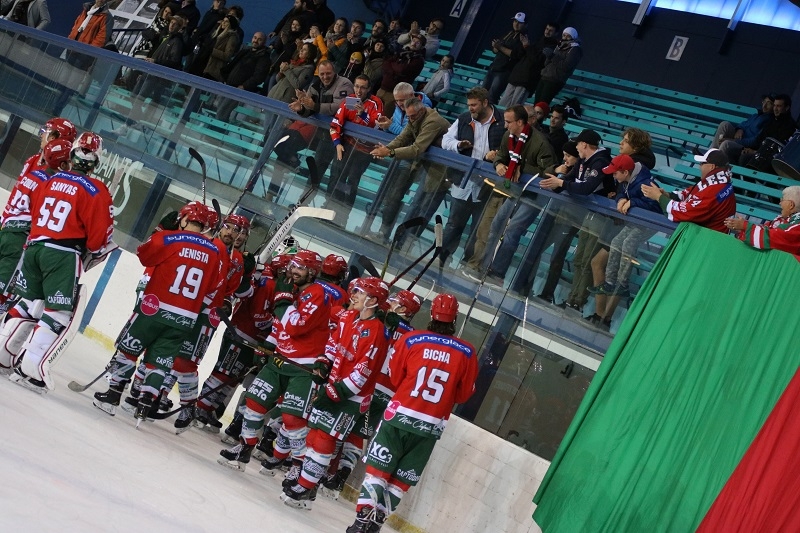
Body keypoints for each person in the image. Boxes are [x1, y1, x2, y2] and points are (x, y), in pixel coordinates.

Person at [345, 293, 478, 533]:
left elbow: (396, 378)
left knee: (377, 471)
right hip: (430, 428)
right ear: (454, 318)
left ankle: (361, 521)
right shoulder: (467, 352)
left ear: (431, 314)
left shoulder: (412, 339)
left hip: (398, 417)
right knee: (400, 481)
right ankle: (376, 524)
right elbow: (463, 396)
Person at [0, 133, 114, 393]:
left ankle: (3, 355)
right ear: (97, 162)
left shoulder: (49, 179)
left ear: (71, 156)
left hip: (34, 248)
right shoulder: (96, 190)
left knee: (29, 303)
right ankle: (31, 369)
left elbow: (36, 211)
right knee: (58, 312)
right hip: (62, 254)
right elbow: (98, 239)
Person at [92, 202, 222, 417]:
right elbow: (213, 286)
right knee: (159, 362)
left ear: (185, 219)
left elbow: (144, 255)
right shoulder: (215, 253)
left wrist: (164, 230)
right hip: (185, 318)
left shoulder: (168, 238)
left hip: (154, 310)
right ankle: (144, 405)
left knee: (128, 351)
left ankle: (113, 395)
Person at [281, 277, 390, 509]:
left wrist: (337, 390)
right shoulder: (350, 317)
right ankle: (307, 485)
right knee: (313, 435)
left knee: (324, 438)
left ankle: (306, 487)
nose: (355, 296)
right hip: (334, 387)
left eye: (360, 293)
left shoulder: (377, 332)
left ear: (373, 300)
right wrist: (323, 363)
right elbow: (333, 344)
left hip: (352, 397)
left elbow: (363, 371)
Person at [218, 250, 331, 472]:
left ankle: (298, 465)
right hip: (279, 359)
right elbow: (280, 325)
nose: (293, 271)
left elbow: (295, 326)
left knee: (292, 418)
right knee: (254, 402)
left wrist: (281, 302)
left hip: (302, 366)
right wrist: (269, 344)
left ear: (312, 272)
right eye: (293, 266)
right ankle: (245, 447)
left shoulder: (318, 294)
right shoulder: (294, 290)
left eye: (300, 268)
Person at [464, 105, 557, 287]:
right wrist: (498, 164)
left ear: (520, 122)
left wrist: (523, 170)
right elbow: (501, 156)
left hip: (533, 195)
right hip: (514, 192)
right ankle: (483, 267)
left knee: (512, 231)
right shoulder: (509, 136)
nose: (505, 126)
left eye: (508, 122)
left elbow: (548, 171)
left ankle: (497, 273)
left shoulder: (540, 143)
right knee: (497, 225)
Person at [537, 129, 615, 307]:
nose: (576, 147)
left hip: (601, 216)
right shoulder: (582, 160)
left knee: (587, 260)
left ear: (584, 144)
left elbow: (586, 188)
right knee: (579, 259)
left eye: (578, 143)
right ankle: (572, 299)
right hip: (585, 214)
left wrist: (562, 183)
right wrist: (555, 183)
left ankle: (577, 301)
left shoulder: (601, 162)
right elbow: (566, 181)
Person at [0, 134, 74, 317]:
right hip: (19, 239)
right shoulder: (51, 183)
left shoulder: (34, 174)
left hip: (7, 230)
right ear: (63, 164)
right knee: (4, 292)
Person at [586, 154, 662, 329]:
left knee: (627, 244)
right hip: (635, 222)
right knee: (615, 242)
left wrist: (633, 202)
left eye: (615, 173)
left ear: (625, 172)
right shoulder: (627, 179)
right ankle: (610, 283)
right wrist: (621, 199)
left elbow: (656, 206)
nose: (613, 176)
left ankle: (622, 285)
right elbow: (621, 192)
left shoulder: (645, 183)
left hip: (650, 224)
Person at [439, 87, 505, 266]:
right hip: (463, 180)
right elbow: (446, 141)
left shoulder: (503, 121)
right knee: (453, 224)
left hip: (488, 186)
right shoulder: (464, 119)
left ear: (485, 103)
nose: (471, 108)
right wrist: (459, 145)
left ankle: (468, 264)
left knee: (479, 230)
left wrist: (498, 156)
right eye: (469, 105)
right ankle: (442, 258)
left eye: (474, 105)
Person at [370, 98, 451, 240]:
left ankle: (407, 243)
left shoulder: (433, 122)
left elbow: (417, 148)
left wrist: (390, 153)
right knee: (401, 199)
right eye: (408, 117)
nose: (410, 119)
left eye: (413, 116)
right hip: (423, 166)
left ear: (422, 111)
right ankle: (387, 236)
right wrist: (386, 148)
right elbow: (403, 138)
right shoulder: (413, 117)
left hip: (440, 171)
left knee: (422, 207)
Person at [369, 83, 432, 242]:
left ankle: (385, 234)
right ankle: (376, 229)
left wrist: (391, 126)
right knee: (386, 195)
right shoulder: (399, 107)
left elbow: (410, 137)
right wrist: (385, 126)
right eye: (397, 101)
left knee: (395, 196)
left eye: (402, 101)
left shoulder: (422, 108)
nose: (399, 104)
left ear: (412, 96)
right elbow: (400, 133)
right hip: (397, 157)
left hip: (411, 161)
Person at [324, 75, 383, 226]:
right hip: (347, 145)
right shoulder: (349, 100)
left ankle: (342, 217)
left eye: (363, 87)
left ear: (369, 88)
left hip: (364, 150)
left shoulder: (376, 103)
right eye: (356, 86)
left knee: (351, 181)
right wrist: (337, 143)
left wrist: (363, 114)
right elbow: (336, 123)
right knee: (336, 175)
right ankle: (328, 211)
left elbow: (377, 127)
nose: (358, 90)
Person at [642, 148, 736, 233]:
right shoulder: (717, 182)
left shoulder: (715, 189)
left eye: (702, 164)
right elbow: (688, 195)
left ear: (711, 167)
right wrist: (667, 195)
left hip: (707, 241)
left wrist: (659, 197)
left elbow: (686, 212)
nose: (700, 167)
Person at [724, 185, 800, 259]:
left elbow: (771, 238)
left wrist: (745, 226)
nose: (780, 203)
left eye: (782, 200)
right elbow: (766, 229)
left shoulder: (797, 226)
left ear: (791, 205)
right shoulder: (783, 219)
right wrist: (743, 230)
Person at [498, 22, 560, 108]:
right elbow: (521, 54)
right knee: (503, 103)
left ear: (556, 33)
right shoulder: (538, 40)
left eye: (551, 31)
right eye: (546, 29)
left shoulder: (553, 46)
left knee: (515, 107)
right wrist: (525, 46)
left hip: (528, 79)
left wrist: (527, 46)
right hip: (517, 75)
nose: (547, 32)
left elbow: (538, 60)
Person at [215, 31, 271, 123]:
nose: (256, 41)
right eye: (255, 38)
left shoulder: (264, 58)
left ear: (264, 42)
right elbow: (231, 65)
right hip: (228, 85)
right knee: (219, 109)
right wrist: (224, 78)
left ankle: (216, 134)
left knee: (223, 112)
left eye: (259, 39)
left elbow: (259, 77)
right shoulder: (245, 51)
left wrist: (244, 86)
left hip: (238, 90)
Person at [737, 94, 795, 171]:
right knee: (731, 148)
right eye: (774, 105)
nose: (775, 109)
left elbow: (778, 150)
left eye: (779, 106)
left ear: (787, 108)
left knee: (744, 157)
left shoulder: (790, 127)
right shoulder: (772, 121)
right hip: (756, 151)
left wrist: (755, 152)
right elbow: (758, 140)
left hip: (769, 161)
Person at [376, 33, 426, 117]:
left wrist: (392, 67)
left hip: (395, 94)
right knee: (373, 112)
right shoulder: (402, 52)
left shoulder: (418, 60)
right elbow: (385, 63)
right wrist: (393, 70)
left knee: (384, 117)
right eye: (413, 40)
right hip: (382, 88)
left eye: (418, 43)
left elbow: (402, 70)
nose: (414, 43)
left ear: (421, 47)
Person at [482, 12, 528, 104]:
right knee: (482, 94)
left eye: (519, 22)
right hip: (494, 67)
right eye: (515, 21)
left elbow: (515, 55)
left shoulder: (524, 39)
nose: (516, 24)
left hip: (504, 71)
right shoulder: (509, 33)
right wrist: (495, 46)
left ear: (525, 24)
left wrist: (499, 47)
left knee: (492, 97)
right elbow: (495, 50)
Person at [713, 94, 774, 159]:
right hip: (738, 138)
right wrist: (740, 129)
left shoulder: (769, 122)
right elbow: (743, 124)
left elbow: (754, 142)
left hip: (744, 146)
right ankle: (710, 154)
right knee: (724, 124)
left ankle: (715, 161)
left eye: (769, 103)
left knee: (726, 143)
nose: (764, 106)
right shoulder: (756, 115)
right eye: (764, 102)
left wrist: (733, 140)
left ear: (774, 106)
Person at [534, 27, 583, 105]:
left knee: (542, 104)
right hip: (545, 75)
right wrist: (548, 57)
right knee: (536, 102)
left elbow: (566, 66)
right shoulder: (559, 45)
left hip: (555, 79)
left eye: (568, 36)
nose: (565, 38)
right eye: (564, 35)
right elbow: (548, 62)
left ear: (573, 37)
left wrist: (552, 56)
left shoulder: (575, 49)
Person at [202, 14, 241, 81]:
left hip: (214, 69)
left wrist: (212, 51)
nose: (223, 23)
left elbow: (227, 56)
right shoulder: (217, 33)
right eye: (223, 20)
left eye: (226, 21)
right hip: (205, 64)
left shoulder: (232, 37)